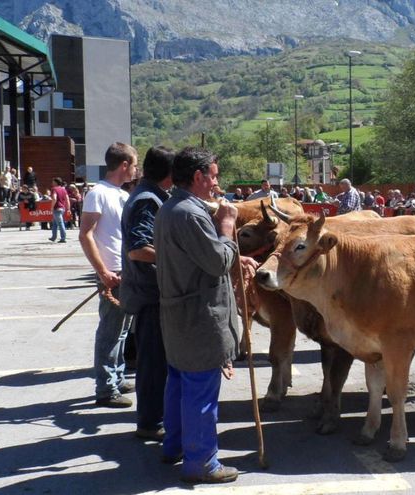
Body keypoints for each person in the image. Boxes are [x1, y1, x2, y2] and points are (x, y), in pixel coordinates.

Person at [155, 147, 256, 484]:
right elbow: (215, 262)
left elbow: (198, 257)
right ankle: (201, 462)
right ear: (197, 177)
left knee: (180, 384)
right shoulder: (190, 214)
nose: (217, 183)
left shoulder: (173, 208)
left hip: (178, 313)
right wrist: (227, 226)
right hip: (199, 317)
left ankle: (175, 445)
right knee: (200, 391)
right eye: (213, 175)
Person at [120, 146, 175, 442]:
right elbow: (139, 249)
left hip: (147, 291)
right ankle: (151, 422)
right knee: (153, 363)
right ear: (169, 173)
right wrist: (178, 257)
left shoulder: (148, 195)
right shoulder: (147, 200)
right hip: (149, 294)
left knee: (154, 361)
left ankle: (153, 417)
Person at [79, 142, 139, 408]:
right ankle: (105, 388)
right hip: (112, 273)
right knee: (110, 331)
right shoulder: (97, 194)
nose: (136, 170)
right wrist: (102, 271)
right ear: (124, 165)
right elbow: (85, 234)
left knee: (123, 331)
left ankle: (117, 375)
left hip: (125, 272)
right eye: (134, 165)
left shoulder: (121, 194)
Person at [49, 177, 70, 243]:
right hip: (62, 208)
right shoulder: (63, 189)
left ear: (56, 182)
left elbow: (54, 198)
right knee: (55, 223)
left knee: (60, 223)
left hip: (57, 208)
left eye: (53, 182)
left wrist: (52, 207)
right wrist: (68, 208)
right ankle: (53, 237)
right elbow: (67, 199)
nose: (52, 183)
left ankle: (63, 238)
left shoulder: (54, 189)